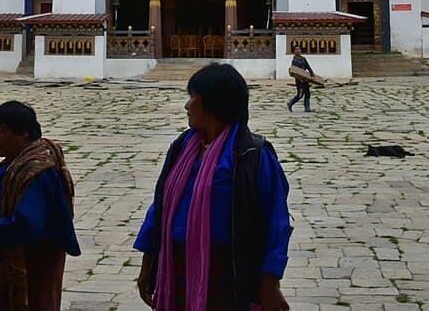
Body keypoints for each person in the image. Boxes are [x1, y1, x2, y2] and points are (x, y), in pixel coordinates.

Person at [135, 63, 292, 311]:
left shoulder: (252, 155)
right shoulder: (182, 148)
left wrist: (270, 282)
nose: (187, 106)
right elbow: (160, 206)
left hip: (228, 272)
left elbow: (277, 222)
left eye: (192, 97)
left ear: (212, 103)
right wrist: (148, 262)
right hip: (176, 266)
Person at [0, 101, 80, 310]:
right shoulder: (15, 164)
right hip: (15, 259)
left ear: (24, 133)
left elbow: (26, 225)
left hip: (35, 263)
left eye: (2, 131)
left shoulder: (37, 172)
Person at [286, 46, 316, 113]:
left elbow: (308, 67)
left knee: (308, 94)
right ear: (294, 51)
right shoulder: (294, 60)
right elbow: (294, 71)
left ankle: (307, 108)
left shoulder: (303, 59)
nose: (298, 50)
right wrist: (299, 79)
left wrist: (312, 75)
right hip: (299, 81)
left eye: (299, 49)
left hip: (306, 79)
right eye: (296, 49)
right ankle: (290, 103)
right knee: (300, 95)